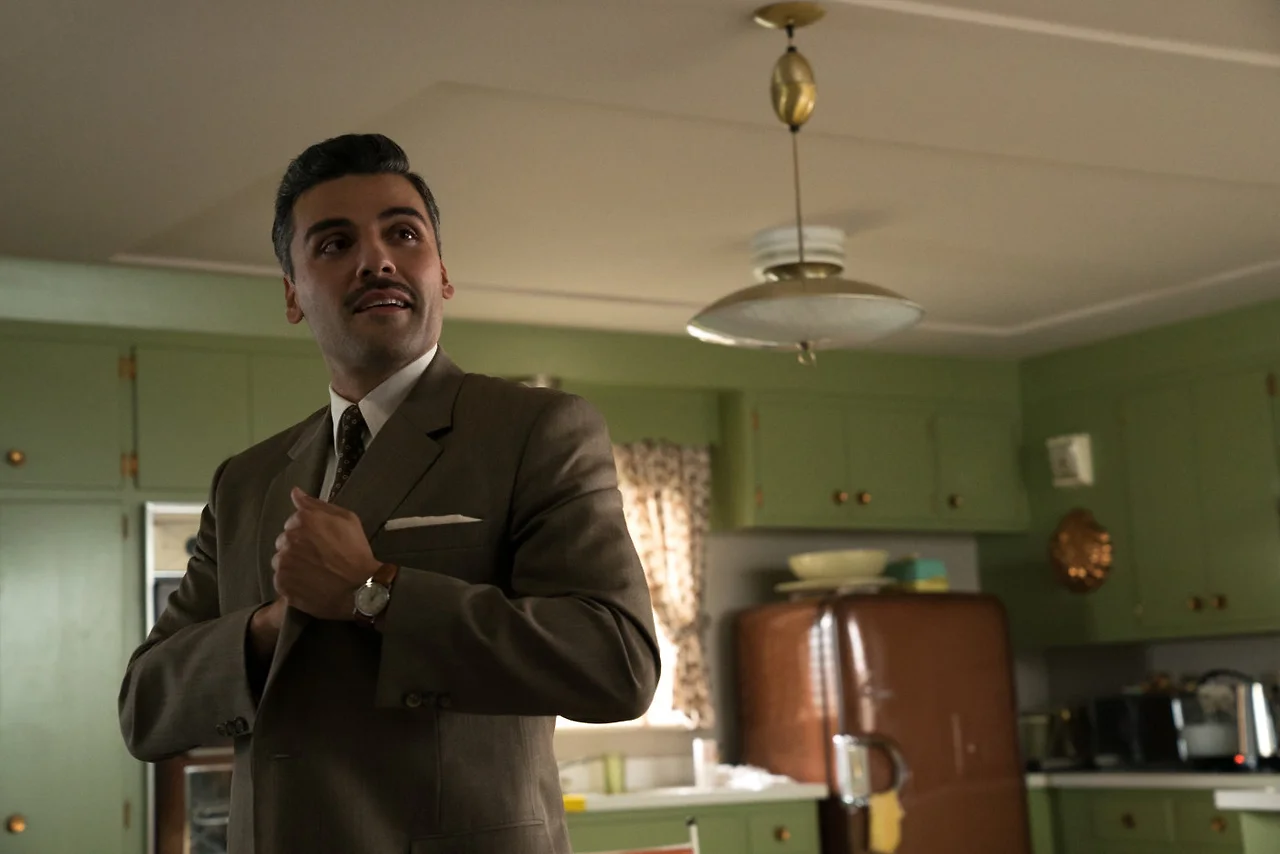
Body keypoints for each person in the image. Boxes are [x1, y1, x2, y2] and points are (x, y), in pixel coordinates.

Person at [118, 133, 661, 854]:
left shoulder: (536, 430)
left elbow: (616, 664)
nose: (376, 260)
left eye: (403, 234)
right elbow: (145, 709)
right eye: (334, 244)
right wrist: (266, 629)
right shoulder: (246, 481)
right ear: (292, 294)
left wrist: (375, 591)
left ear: (442, 274)